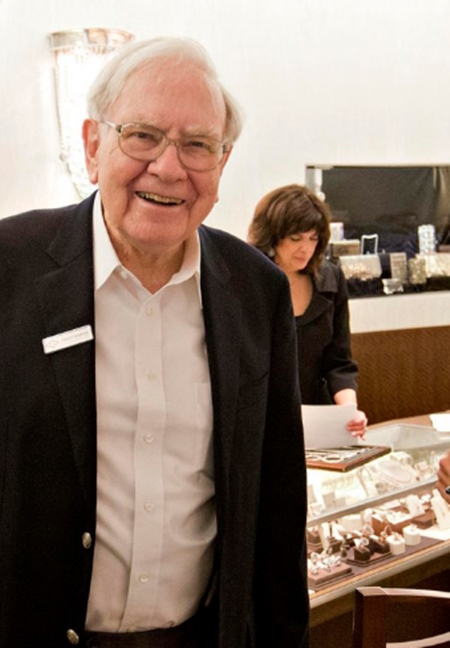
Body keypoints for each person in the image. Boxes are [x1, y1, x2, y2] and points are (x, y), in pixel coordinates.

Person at [0, 38, 309, 648]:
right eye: (142, 135)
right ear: (93, 146)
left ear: (222, 163)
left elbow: (277, 505)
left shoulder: (256, 292)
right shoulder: (9, 271)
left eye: (197, 145)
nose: (169, 169)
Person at [248, 183, 367, 436]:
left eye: (313, 238)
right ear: (273, 236)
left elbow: (339, 362)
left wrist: (349, 412)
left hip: (317, 415)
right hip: (260, 418)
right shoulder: (249, 281)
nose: (306, 249)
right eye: (296, 238)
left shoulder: (330, 280)